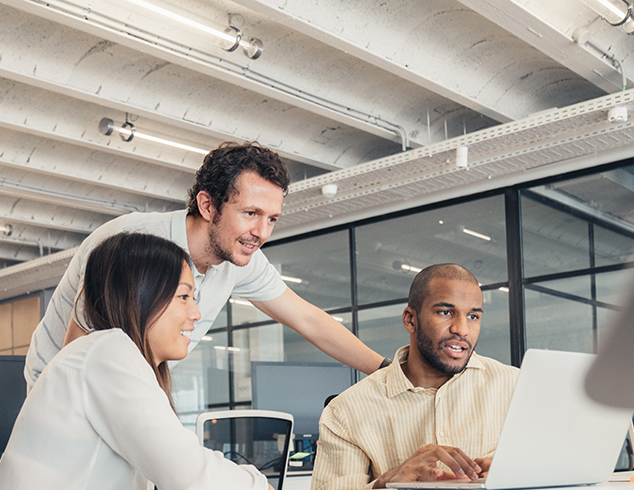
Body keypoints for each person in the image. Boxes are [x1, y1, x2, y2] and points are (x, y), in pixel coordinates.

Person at [24, 142, 386, 389]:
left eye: (272, 219)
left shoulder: (240, 259)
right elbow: (75, 357)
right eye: (250, 214)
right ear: (208, 205)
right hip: (62, 385)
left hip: (137, 389)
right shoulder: (131, 244)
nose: (261, 232)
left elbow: (307, 319)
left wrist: (388, 372)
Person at [0, 232, 274, 490]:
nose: (196, 314)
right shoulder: (106, 350)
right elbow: (186, 472)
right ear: (141, 296)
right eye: (184, 297)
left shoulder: (110, 355)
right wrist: (261, 486)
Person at [310, 264, 520, 490]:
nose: (462, 329)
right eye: (445, 312)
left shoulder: (516, 387)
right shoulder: (346, 411)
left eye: (473, 316)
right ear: (410, 319)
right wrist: (387, 483)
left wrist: (520, 470)